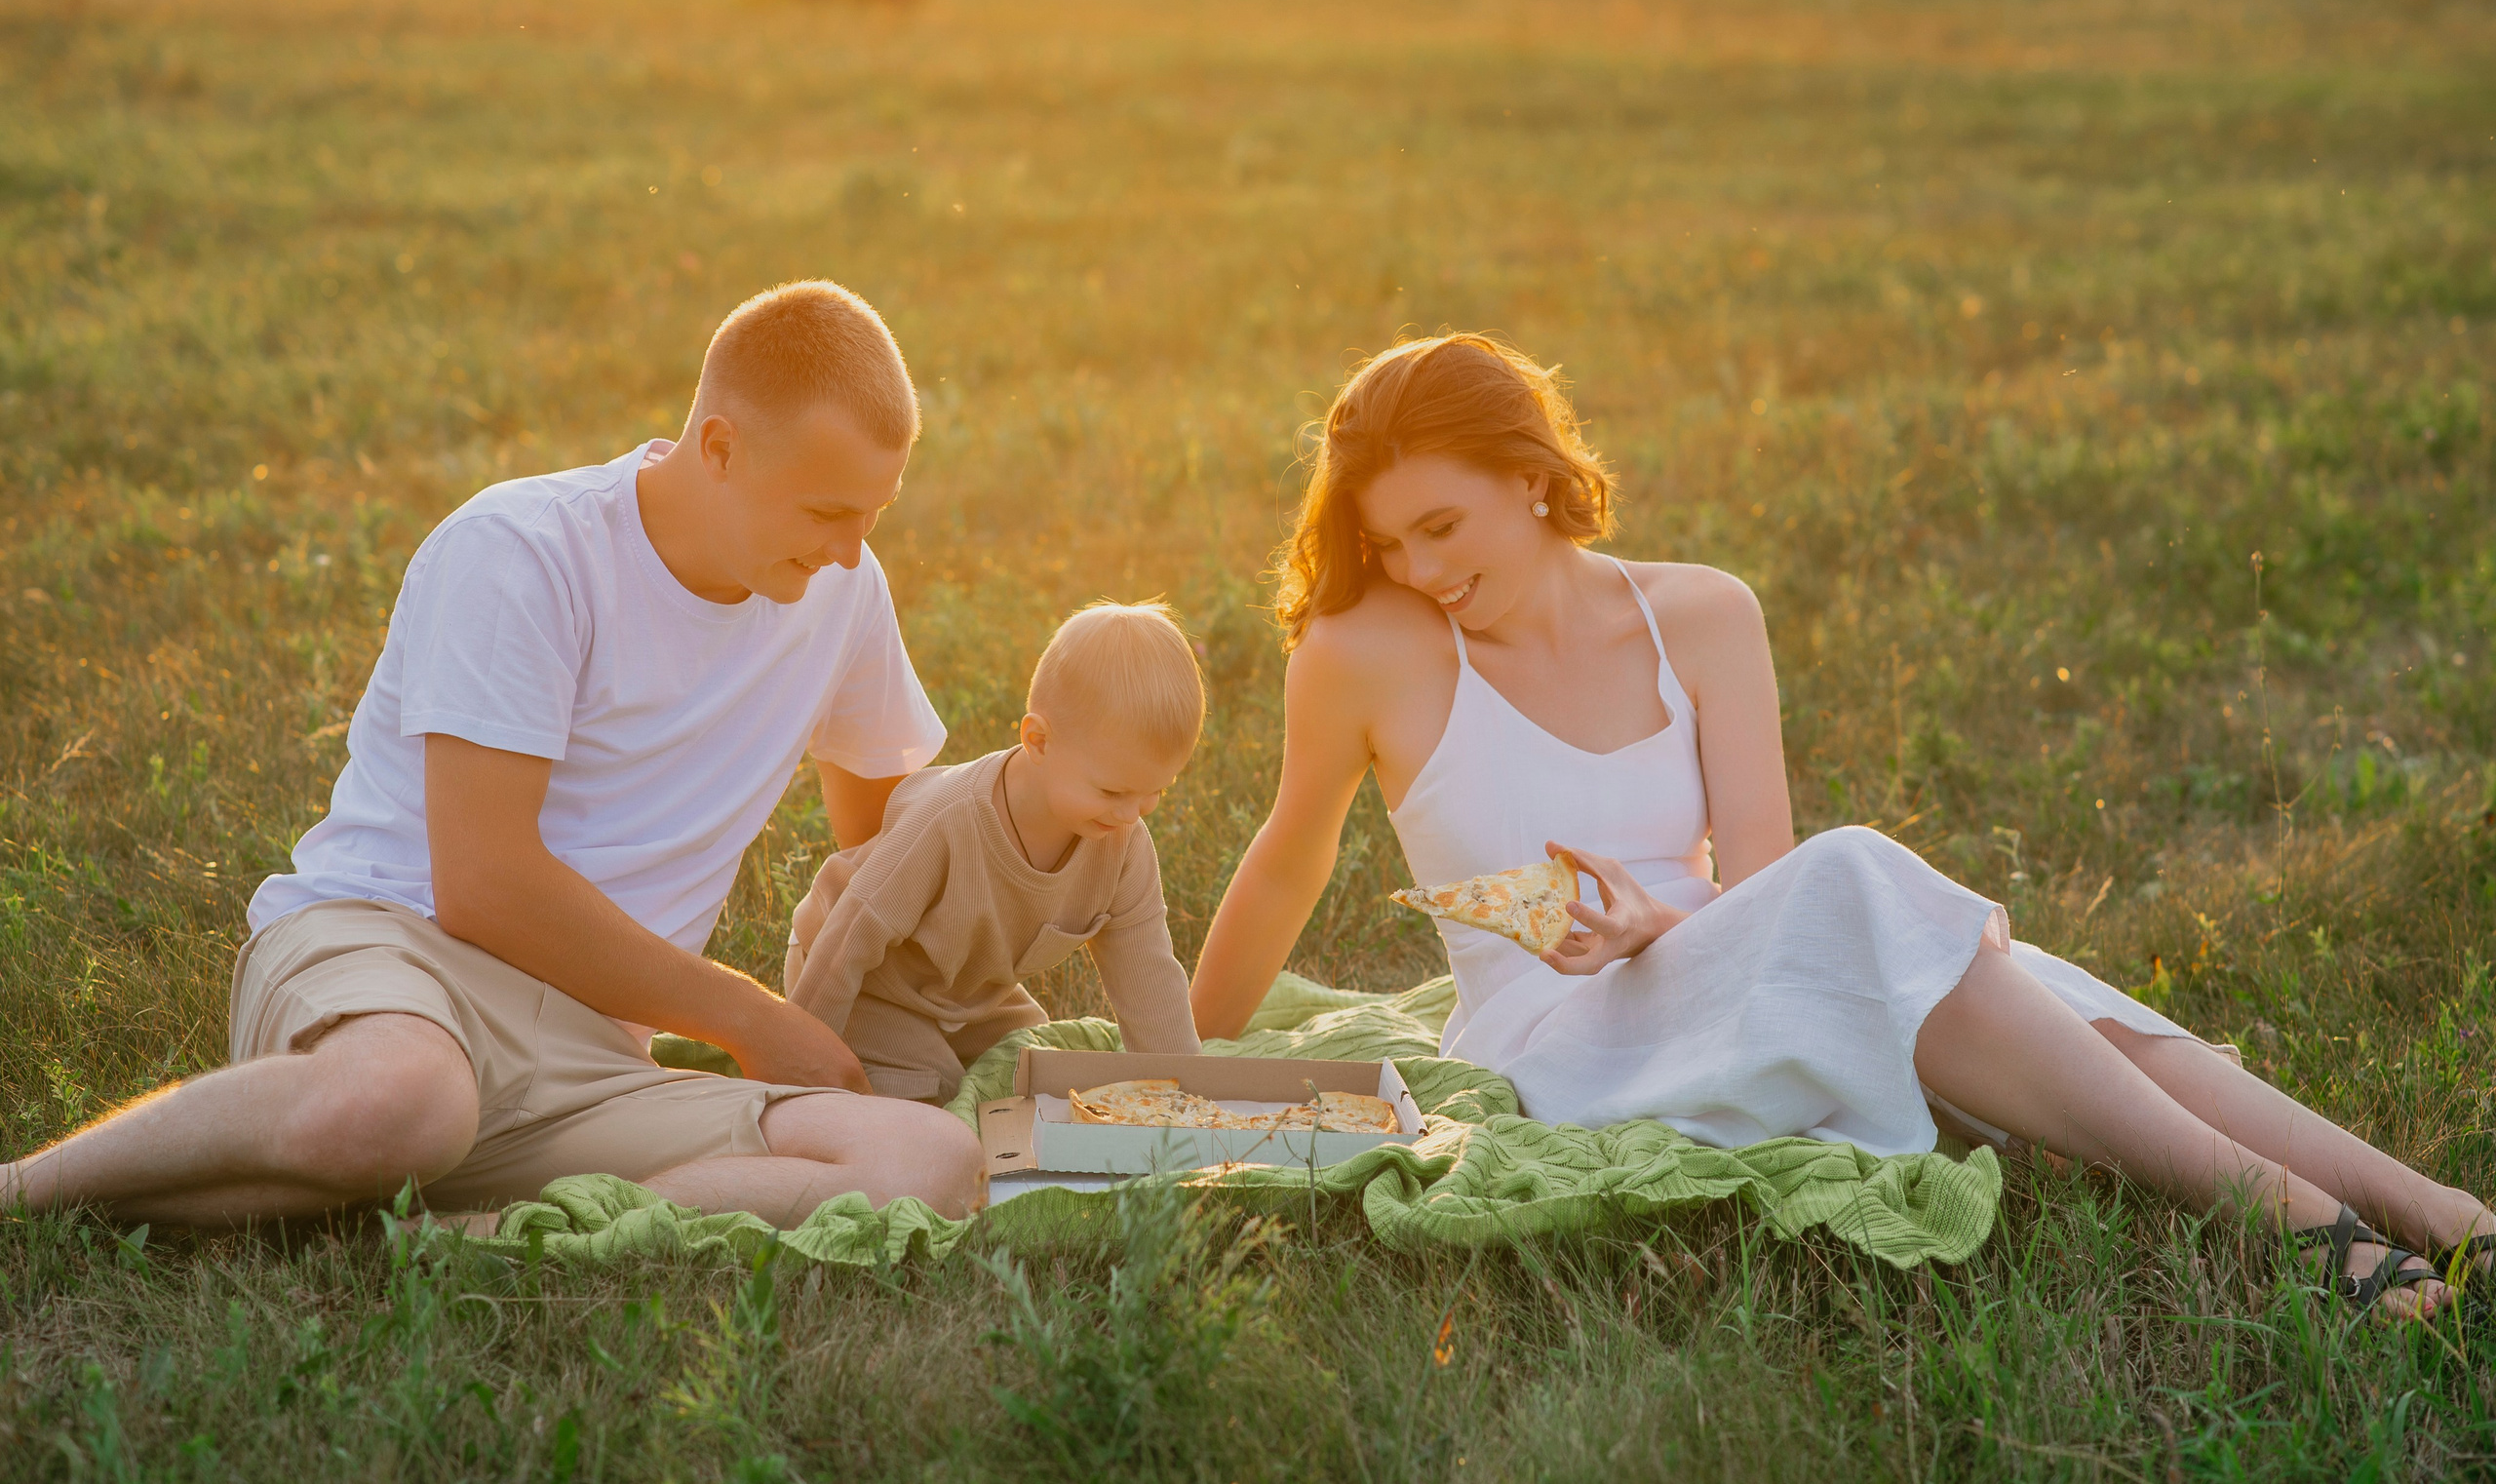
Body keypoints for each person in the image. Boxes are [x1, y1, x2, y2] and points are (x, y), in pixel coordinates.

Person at [1188, 332, 2495, 1319]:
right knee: (1877, 890)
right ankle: (2297, 1218)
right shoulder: (1369, 653)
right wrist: (1178, 1056)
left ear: (1529, 477)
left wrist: (1663, 917)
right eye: (1391, 540)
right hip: (1558, 1046)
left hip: (1737, 979)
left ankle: (2427, 1204)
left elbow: (1767, 883)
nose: (1418, 568)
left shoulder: (1702, 614)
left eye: (1439, 525)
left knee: (1988, 965)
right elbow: (1291, 855)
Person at [1, 281, 987, 1229]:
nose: (853, 550)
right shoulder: (523, 551)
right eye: (826, 512)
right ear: (720, 448)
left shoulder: (842, 589)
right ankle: (22, 1192)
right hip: (391, 957)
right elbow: (485, 884)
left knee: (927, 1160)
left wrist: (1029, 861)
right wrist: (750, 1015)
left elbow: (886, 845)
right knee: (408, 1099)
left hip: (591, 1051)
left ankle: (466, 1227)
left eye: (873, 515)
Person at [784, 602, 1205, 1103]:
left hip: (969, 995)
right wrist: (799, 1057)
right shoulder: (946, 820)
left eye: (1156, 790)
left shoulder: (1123, 848)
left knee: (1038, 1076)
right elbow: (853, 930)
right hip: (863, 983)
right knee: (930, 1091)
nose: (1134, 813)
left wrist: (1186, 1106)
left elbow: (1151, 980)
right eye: (1113, 792)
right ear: (1039, 740)